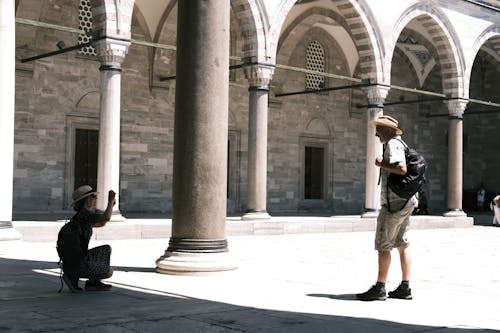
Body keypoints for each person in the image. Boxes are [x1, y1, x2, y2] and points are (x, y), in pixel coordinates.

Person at [356, 115, 417, 301]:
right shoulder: (401, 144)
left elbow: (401, 168)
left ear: (388, 130)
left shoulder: (393, 144)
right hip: (406, 201)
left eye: (379, 129)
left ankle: (380, 287)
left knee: (384, 243)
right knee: (402, 243)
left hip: (395, 204)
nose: (376, 134)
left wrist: (380, 163)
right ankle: (405, 287)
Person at [58, 185, 116, 292]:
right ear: (87, 199)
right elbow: (106, 218)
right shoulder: (85, 214)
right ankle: (73, 276)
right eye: (93, 196)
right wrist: (110, 201)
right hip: (77, 263)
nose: (96, 199)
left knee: (106, 249)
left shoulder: (81, 216)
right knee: (109, 271)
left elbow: (102, 223)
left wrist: (111, 206)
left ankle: (92, 282)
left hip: (72, 261)